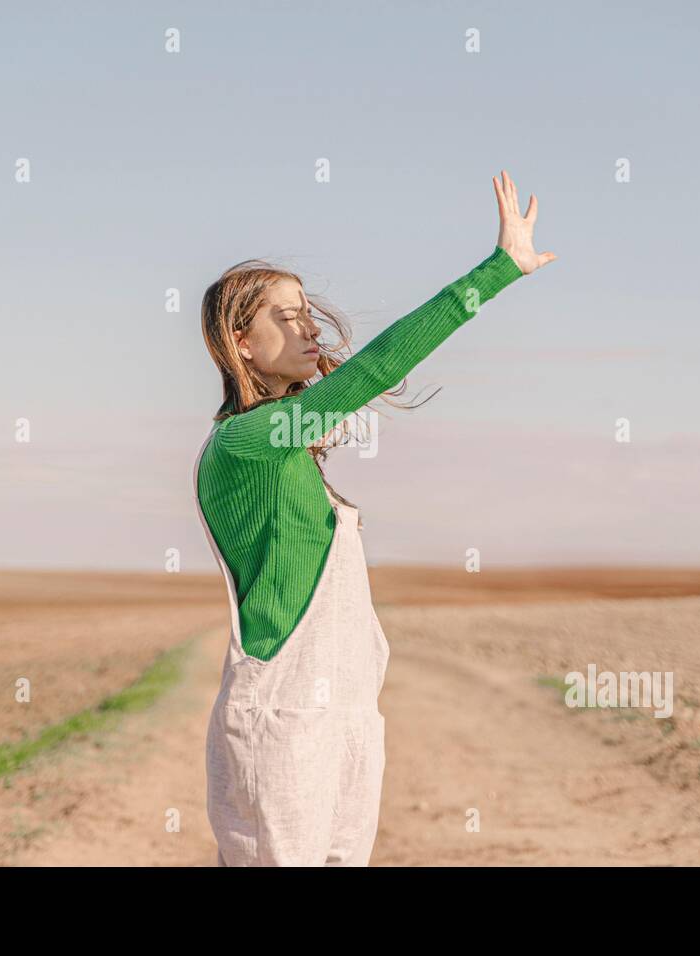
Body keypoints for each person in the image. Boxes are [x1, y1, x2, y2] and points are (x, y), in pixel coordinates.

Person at [193, 169, 556, 865]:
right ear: (240, 342)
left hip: (345, 713)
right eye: (283, 315)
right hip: (287, 718)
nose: (307, 326)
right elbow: (372, 372)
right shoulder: (247, 444)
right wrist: (498, 270)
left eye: (307, 310)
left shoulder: (288, 449)